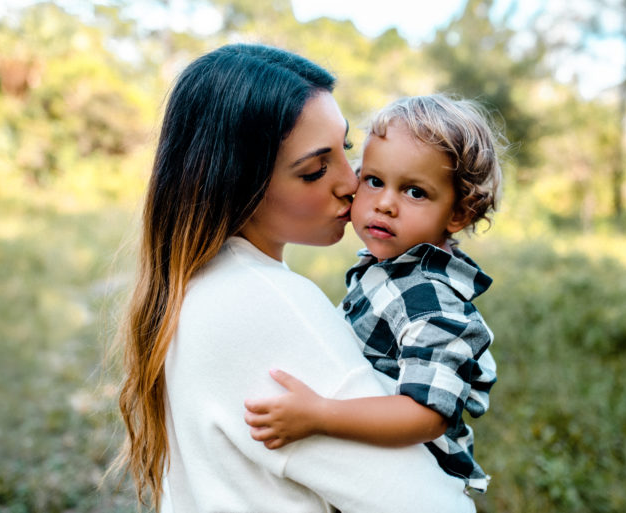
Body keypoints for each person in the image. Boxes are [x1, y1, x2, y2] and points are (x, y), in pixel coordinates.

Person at [113, 45, 475, 513]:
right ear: (237, 185)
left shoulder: (195, 286)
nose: (351, 183)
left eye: (346, 150)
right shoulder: (267, 303)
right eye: (315, 170)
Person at [244, 94, 502, 494]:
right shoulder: (392, 270)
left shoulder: (429, 298)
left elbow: (427, 415)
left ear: (458, 213)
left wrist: (320, 415)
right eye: (374, 181)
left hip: (408, 485)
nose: (384, 204)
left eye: (414, 192)